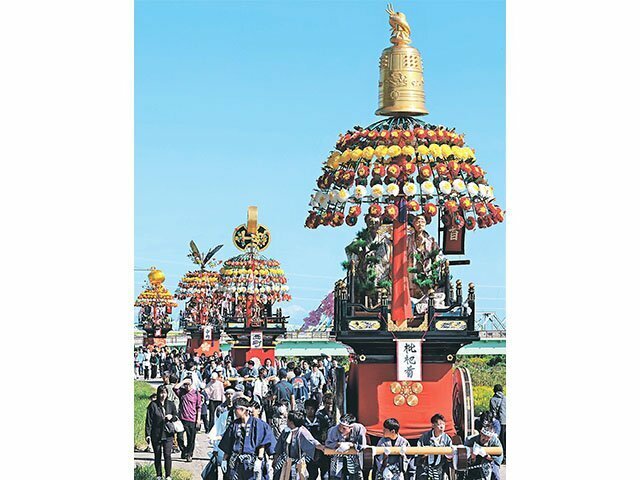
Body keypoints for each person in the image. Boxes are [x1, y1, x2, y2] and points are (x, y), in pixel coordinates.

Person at [219, 397, 277, 480]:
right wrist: (224, 460)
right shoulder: (233, 425)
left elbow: (262, 444)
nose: (234, 411)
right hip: (235, 463)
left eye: (236, 409)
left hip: (252, 462)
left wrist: (259, 459)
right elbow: (228, 444)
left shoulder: (258, 424)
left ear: (243, 410)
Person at [273, 410, 326, 480]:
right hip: (285, 461)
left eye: (288, 420)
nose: (286, 421)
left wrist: (322, 447)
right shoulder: (286, 431)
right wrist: (275, 459)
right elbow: (279, 447)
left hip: (298, 463)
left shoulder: (302, 431)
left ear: (291, 422)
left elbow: (312, 442)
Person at [145, 385, 179, 480]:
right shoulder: (153, 405)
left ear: (167, 394)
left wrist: (171, 417)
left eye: (164, 393)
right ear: (158, 393)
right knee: (157, 454)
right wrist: (147, 434)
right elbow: (148, 421)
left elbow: (176, 416)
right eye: (161, 393)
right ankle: (159, 475)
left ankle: (168, 475)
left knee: (167, 454)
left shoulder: (171, 404)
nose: (162, 395)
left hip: (168, 434)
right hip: (156, 434)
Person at [325, 414, 367, 480]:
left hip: (354, 458)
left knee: (355, 474)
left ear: (351, 428)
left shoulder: (359, 429)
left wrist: (351, 445)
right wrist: (338, 444)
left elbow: (362, 446)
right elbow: (327, 444)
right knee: (335, 473)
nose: (341, 430)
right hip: (338, 456)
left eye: (344, 428)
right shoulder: (333, 430)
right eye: (340, 426)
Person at [415, 413, 452, 480]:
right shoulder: (425, 437)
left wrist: (448, 456)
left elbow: (450, 458)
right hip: (426, 468)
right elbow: (417, 453)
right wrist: (424, 454)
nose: (442, 427)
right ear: (433, 425)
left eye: (443, 424)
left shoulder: (447, 439)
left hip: (440, 469)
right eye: (439, 424)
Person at [174, 377, 202, 462]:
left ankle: (189, 454)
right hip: (182, 418)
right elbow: (175, 388)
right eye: (185, 385)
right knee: (179, 437)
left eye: (189, 384)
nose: (187, 386)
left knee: (191, 439)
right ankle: (184, 450)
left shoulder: (196, 394)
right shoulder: (181, 392)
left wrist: (198, 420)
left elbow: (199, 407)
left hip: (192, 419)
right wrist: (183, 381)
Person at [304, 399, 331, 480]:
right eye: (308, 409)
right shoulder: (302, 422)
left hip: (322, 451)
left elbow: (326, 433)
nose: (310, 411)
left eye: (312, 409)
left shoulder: (322, 420)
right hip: (310, 452)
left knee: (325, 476)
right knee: (312, 475)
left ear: (315, 410)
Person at [489, 385, 506, 462]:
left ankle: (501, 457)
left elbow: (493, 412)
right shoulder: (506, 398)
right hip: (506, 421)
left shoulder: (493, 400)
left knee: (499, 440)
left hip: (499, 422)